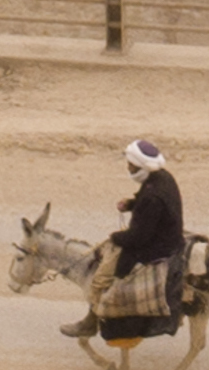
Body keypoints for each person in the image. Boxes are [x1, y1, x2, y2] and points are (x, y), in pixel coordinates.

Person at [62, 139, 185, 338]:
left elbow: (138, 237)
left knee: (100, 279)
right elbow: (145, 202)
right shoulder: (162, 178)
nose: (128, 168)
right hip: (169, 236)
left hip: (158, 247)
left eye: (131, 165)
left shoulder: (152, 197)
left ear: (141, 166)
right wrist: (131, 204)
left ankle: (91, 323)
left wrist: (116, 237)